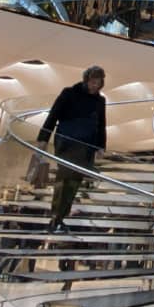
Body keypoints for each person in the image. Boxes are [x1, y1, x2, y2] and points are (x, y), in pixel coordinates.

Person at [37, 65, 108, 233]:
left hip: (87, 146)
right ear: (86, 80)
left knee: (74, 182)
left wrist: (101, 147)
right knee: (64, 179)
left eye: (98, 83)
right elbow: (53, 115)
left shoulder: (100, 100)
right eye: (92, 82)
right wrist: (43, 139)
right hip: (67, 142)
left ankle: (59, 218)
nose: (95, 86)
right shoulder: (69, 93)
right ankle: (56, 217)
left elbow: (101, 124)